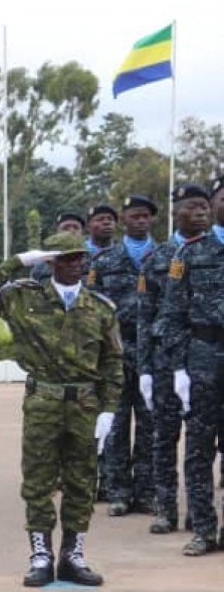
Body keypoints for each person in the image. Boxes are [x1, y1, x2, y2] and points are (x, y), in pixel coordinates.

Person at [0, 232, 123, 585]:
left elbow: (113, 363)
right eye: (67, 258)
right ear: (51, 261)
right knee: (38, 481)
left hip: (85, 404)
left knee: (82, 481)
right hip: (43, 402)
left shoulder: (99, 307)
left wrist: (109, 410)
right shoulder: (25, 298)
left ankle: (74, 554)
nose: (76, 264)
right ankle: (41, 554)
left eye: (80, 258)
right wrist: (21, 260)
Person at [154, 184, 224, 556]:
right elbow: (172, 316)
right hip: (204, 354)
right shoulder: (189, 252)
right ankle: (204, 529)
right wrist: (179, 368)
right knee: (199, 448)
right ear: (213, 206)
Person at [89, 201, 153, 517]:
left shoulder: (166, 256)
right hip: (114, 353)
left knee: (149, 425)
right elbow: (92, 308)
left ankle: (146, 493)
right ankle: (118, 492)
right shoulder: (104, 261)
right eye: (134, 216)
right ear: (124, 220)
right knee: (115, 423)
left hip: (152, 355)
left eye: (146, 216)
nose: (141, 221)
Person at [131, 195, 181, 532]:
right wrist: (145, 367)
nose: (199, 212)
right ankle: (166, 508)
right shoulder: (156, 259)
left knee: (206, 443)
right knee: (164, 436)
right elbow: (144, 317)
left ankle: (204, 517)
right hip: (165, 360)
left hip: (210, 358)